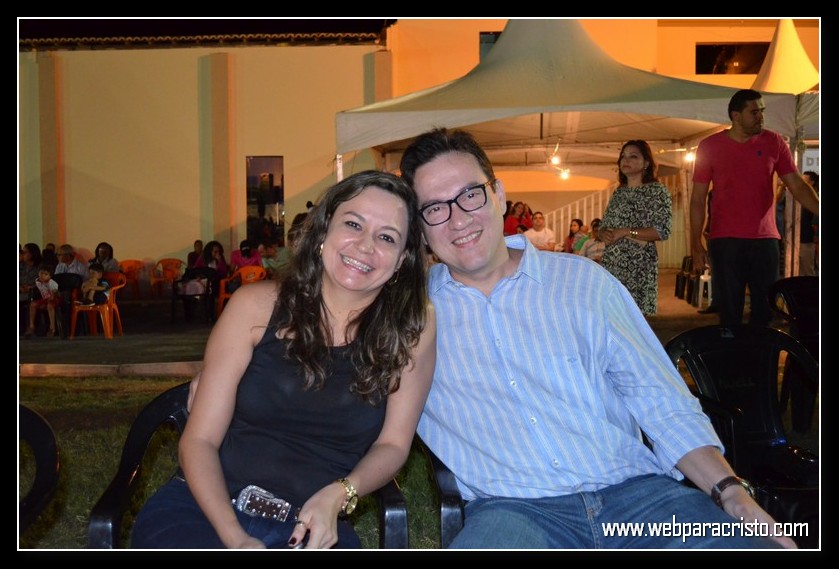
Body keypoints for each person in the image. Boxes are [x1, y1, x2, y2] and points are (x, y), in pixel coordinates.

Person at [399, 127, 793, 549]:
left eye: (470, 195)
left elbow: (659, 399)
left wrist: (730, 492)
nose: (458, 218)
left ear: (498, 194)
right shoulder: (405, 317)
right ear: (419, 227)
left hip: (639, 499)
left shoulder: (584, 283)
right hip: (514, 514)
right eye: (434, 208)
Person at [132, 170, 436, 549]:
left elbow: (393, 445)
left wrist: (341, 493)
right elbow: (199, 441)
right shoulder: (254, 307)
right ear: (324, 230)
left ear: (402, 259)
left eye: (387, 237)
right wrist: (236, 540)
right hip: (205, 510)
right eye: (353, 224)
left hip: (314, 525)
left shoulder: (411, 332)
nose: (364, 245)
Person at [690, 89, 819, 328]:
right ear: (736, 116)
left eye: (762, 111)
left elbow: (797, 185)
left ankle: (762, 352)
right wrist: (695, 243)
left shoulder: (774, 142)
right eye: (754, 112)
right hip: (725, 240)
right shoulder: (710, 146)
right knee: (730, 310)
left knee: (766, 310)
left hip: (765, 239)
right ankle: (731, 350)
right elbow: (697, 199)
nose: (761, 117)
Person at [600, 140, 672, 316]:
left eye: (633, 156)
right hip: (612, 264)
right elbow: (604, 226)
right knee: (613, 316)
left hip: (638, 265)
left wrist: (626, 232)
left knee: (634, 319)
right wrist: (604, 234)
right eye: (623, 156)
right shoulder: (619, 192)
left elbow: (662, 231)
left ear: (646, 163)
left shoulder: (657, 191)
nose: (626, 160)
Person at [25, 263, 60, 337]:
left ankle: (52, 328)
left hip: (54, 298)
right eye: (41, 273)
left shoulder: (52, 283)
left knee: (49, 306)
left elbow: (54, 294)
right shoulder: (37, 281)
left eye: (45, 274)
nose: (42, 275)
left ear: (50, 276)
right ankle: (31, 326)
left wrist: (50, 299)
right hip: (45, 299)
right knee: (32, 304)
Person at [798, 171, 819, 277]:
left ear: (812, 182)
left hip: (807, 239)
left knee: (807, 270)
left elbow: (816, 221)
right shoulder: (801, 197)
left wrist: (815, 237)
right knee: (800, 270)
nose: (801, 181)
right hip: (798, 238)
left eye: (804, 179)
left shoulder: (814, 198)